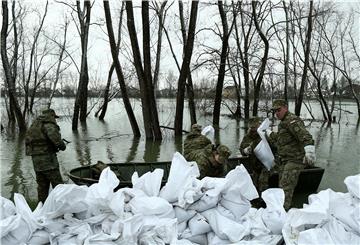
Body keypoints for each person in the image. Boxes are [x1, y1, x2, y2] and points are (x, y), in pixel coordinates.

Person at [266, 99, 316, 210]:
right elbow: (281, 139)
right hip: (285, 160)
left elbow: (305, 136)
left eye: (279, 110)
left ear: (285, 108)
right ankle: (285, 209)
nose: (277, 113)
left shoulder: (292, 120)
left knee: (285, 188)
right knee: (282, 187)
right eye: (275, 111)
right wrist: (269, 134)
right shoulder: (283, 123)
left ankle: (283, 214)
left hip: (294, 160)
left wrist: (309, 150)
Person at [25, 109, 66, 203]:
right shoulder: (49, 125)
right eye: (54, 117)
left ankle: (41, 208)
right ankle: (62, 208)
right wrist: (63, 146)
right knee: (59, 186)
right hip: (48, 160)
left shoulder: (34, 124)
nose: (55, 119)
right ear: (51, 115)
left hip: (36, 160)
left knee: (42, 186)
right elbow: (56, 140)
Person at [239, 117, 270, 192]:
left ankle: (263, 200)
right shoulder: (247, 137)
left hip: (266, 164)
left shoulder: (265, 134)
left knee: (262, 181)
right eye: (252, 127)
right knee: (254, 183)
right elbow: (241, 149)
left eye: (255, 127)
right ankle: (255, 200)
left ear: (259, 125)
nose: (254, 130)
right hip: (254, 164)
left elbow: (275, 147)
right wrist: (245, 151)